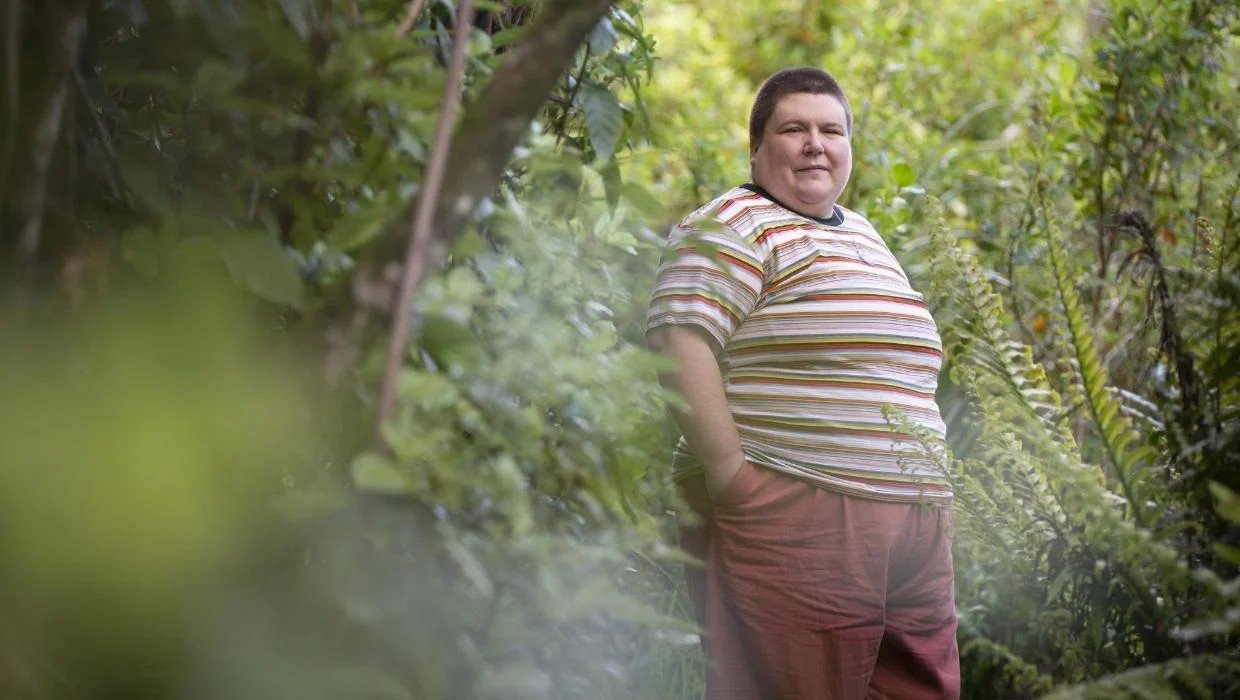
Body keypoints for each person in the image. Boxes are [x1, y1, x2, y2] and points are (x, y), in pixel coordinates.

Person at [646, 67, 959, 699]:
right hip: (799, 501)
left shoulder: (864, 234)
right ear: (757, 149)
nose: (816, 143)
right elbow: (679, 336)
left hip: (908, 523)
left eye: (831, 130)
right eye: (794, 129)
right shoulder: (737, 220)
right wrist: (732, 474)